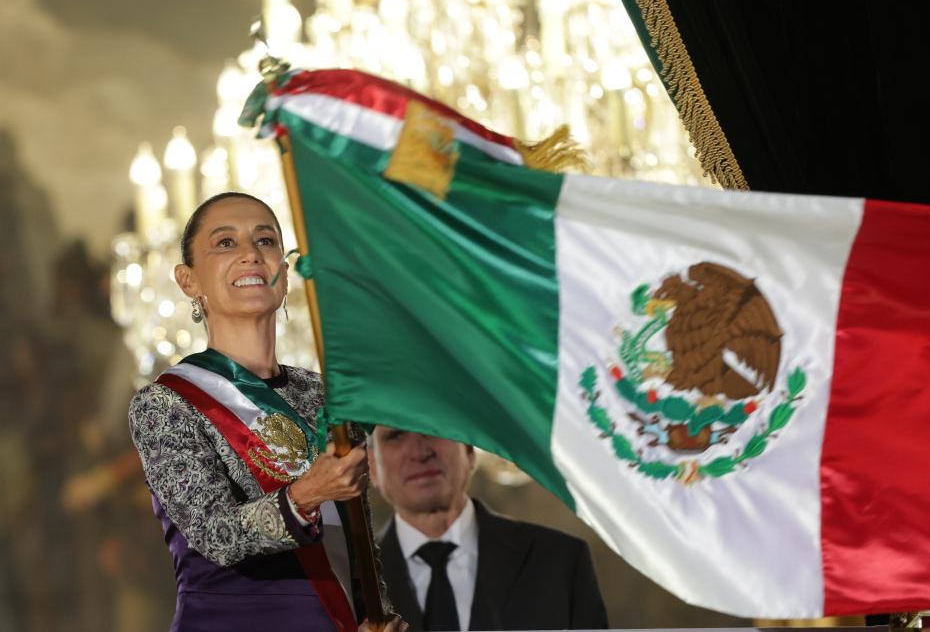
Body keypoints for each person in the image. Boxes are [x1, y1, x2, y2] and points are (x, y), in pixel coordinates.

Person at [128, 192, 406, 632]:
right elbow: (216, 535)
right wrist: (304, 496)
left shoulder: (324, 394)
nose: (251, 254)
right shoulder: (166, 403)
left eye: (266, 240)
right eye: (225, 243)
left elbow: (357, 540)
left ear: (285, 272)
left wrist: (377, 615)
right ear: (188, 280)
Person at [369, 427, 609, 631]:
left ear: (468, 450)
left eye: (432, 429)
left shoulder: (561, 561)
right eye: (395, 436)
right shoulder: (354, 583)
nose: (419, 452)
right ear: (372, 466)